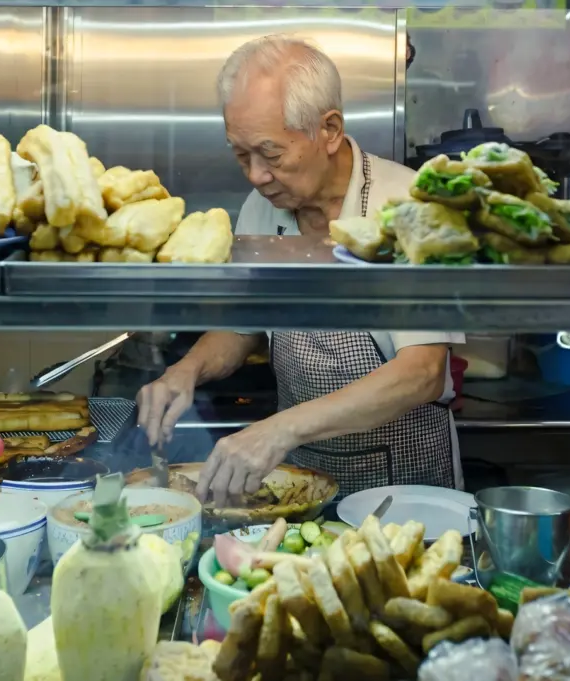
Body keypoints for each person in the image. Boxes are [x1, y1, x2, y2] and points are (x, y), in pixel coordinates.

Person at [136, 35, 464, 506]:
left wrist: (278, 429)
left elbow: (423, 372)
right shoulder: (260, 206)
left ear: (329, 130)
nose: (254, 175)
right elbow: (242, 327)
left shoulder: (413, 207)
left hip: (403, 482)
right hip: (299, 473)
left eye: (270, 154)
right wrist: (186, 371)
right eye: (240, 154)